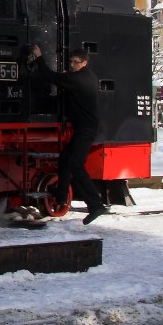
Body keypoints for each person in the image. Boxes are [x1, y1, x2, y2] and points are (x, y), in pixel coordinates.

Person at [30, 44, 108, 224]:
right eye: (71, 61)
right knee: (65, 157)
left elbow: (51, 77)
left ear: (84, 63)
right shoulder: (86, 77)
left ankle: (95, 204)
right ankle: (60, 195)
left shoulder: (80, 79)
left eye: (76, 62)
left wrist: (39, 57)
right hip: (84, 127)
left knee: (75, 163)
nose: (72, 64)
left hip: (86, 129)